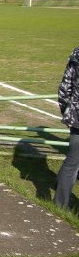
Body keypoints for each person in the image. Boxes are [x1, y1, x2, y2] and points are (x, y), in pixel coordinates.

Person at [55, 46, 79, 209]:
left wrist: (69, 112)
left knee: (72, 162)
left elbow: (65, 89)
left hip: (77, 116)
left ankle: (59, 206)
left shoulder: (76, 55)